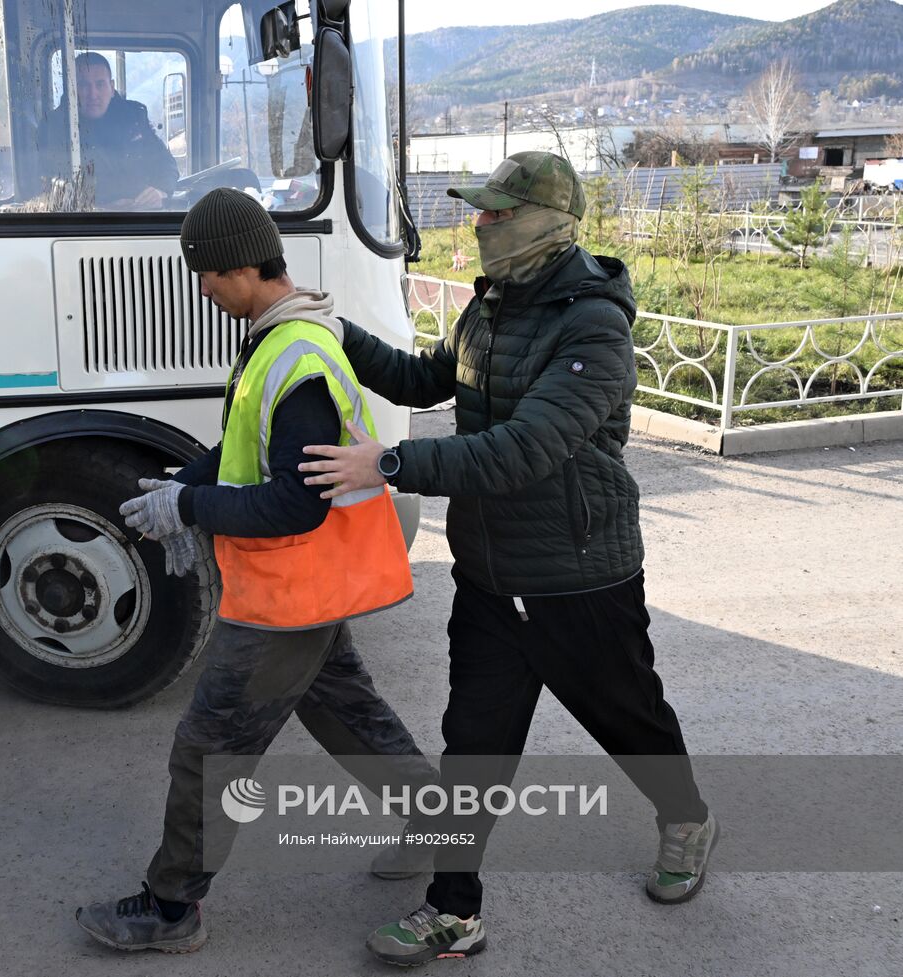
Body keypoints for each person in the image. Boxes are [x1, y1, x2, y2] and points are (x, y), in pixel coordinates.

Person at [298, 151, 719, 968]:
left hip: (578, 578)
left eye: (496, 214)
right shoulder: (492, 304)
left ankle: (688, 816)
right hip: (489, 577)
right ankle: (454, 911)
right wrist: (334, 332)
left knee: (628, 718)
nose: (480, 225)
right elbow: (428, 378)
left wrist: (387, 465)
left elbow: (521, 451)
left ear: (547, 225)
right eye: (480, 211)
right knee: (474, 742)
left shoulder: (593, 325)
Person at [74, 187, 433, 953]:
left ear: (241, 265)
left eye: (206, 274)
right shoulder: (280, 336)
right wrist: (182, 485)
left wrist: (193, 511)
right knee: (346, 711)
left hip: (284, 595)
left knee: (209, 747)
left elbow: (294, 505)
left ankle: (170, 910)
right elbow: (249, 448)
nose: (202, 288)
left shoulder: (296, 357)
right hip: (307, 587)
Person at [35, 51, 178, 210]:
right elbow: (42, 183)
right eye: (83, 85)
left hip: (141, 218)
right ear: (71, 89)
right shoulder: (54, 127)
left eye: (100, 84)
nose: (92, 94)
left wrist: (160, 191)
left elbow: (166, 164)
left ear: (111, 87)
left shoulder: (134, 117)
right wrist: (94, 208)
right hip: (81, 224)